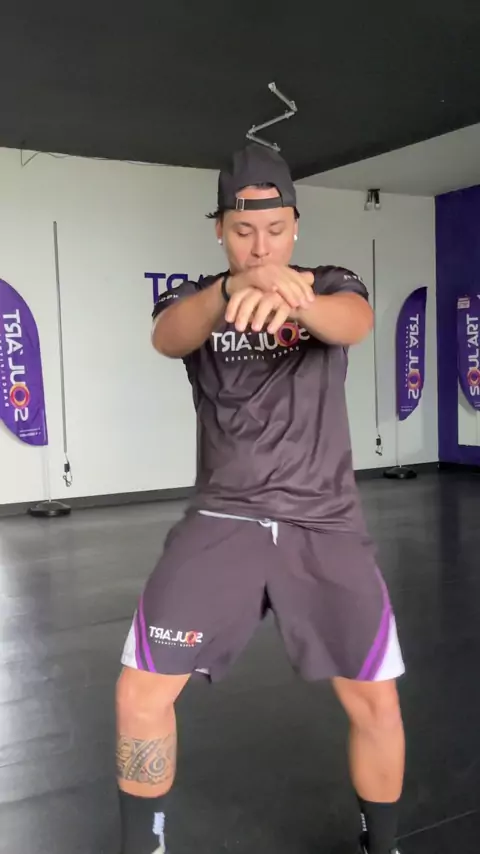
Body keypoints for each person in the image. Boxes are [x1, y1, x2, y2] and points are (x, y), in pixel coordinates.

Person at [116, 143, 405, 854]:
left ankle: (384, 844)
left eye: (275, 229)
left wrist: (292, 294)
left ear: (295, 225)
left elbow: (354, 322)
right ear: (219, 228)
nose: (260, 245)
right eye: (243, 230)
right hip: (224, 520)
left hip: (325, 522)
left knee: (375, 698)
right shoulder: (195, 299)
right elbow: (166, 337)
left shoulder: (331, 283)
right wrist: (226, 295)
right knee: (140, 693)